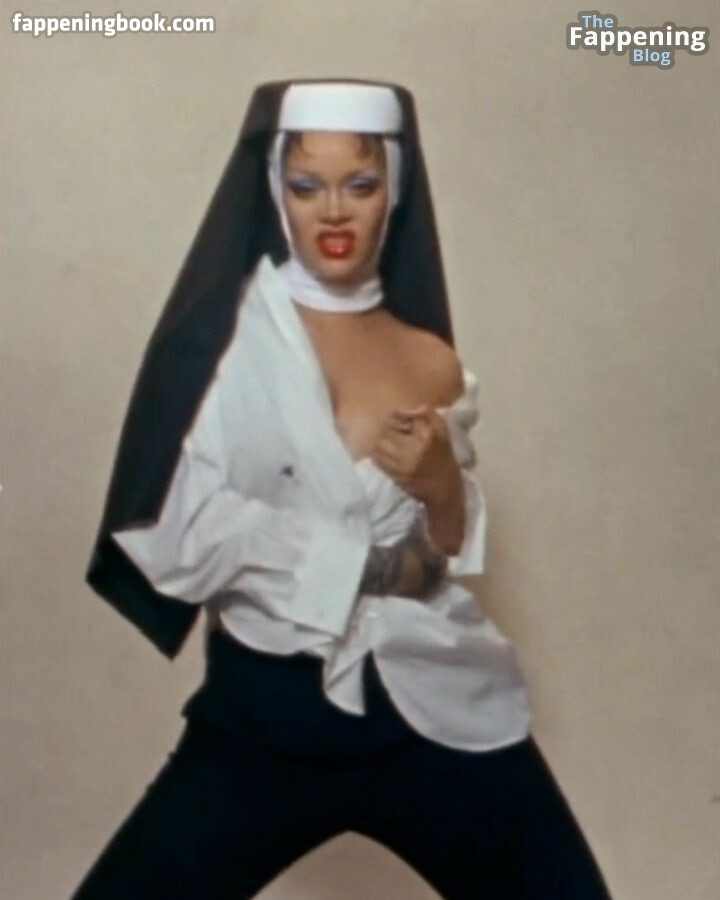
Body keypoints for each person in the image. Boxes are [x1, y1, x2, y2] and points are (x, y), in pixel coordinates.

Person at [72, 79, 613, 899]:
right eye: (306, 185)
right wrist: (366, 563)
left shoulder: (430, 359)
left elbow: (438, 555)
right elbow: (175, 536)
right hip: (263, 720)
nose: (333, 211)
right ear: (274, 190)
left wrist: (443, 492)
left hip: (434, 703)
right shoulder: (221, 344)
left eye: (359, 185)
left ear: (395, 189)